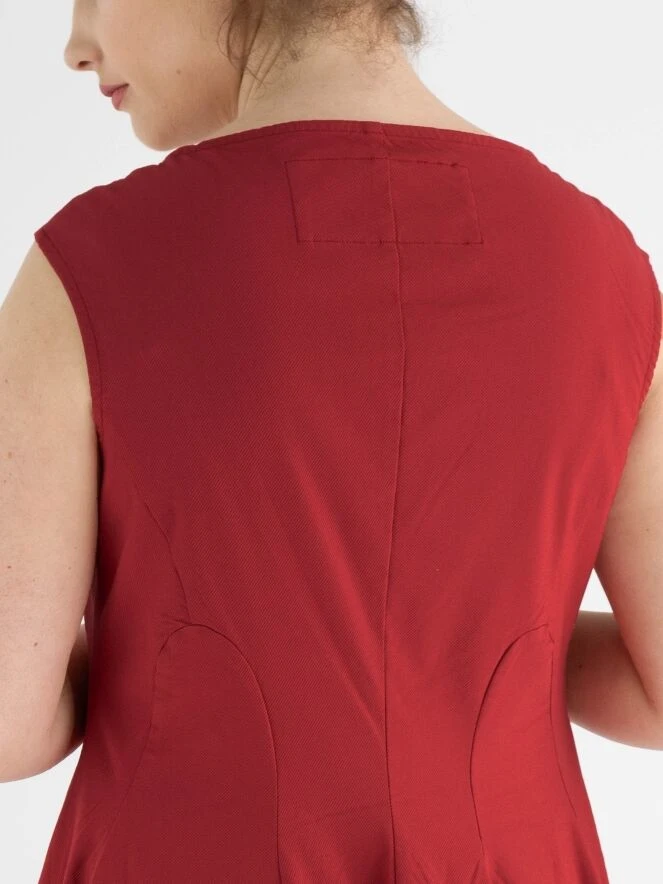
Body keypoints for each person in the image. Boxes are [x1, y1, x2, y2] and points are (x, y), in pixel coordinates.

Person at [1, 1, 661, 882]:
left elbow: (7, 718)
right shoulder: (602, 265)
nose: (76, 47)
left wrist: (157, 657)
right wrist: (477, 647)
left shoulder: (89, 264)